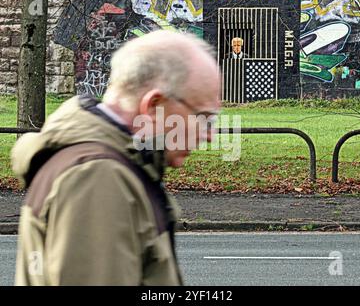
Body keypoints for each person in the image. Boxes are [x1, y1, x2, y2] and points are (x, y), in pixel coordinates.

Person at [12, 30, 221, 285]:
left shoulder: (104, 164)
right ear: (153, 105)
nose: (209, 135)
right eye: (203, 118)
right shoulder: (98, 177)